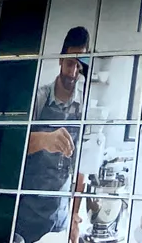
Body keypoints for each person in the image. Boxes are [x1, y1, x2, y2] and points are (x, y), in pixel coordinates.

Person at [15, 26, 89, 243]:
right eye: (69, 63)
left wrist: (75, 215)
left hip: (60, 217)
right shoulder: (39, 98)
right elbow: (13, 145)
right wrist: (44, 139)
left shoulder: (84, 106)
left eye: (79, 65)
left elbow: (81, 169)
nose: (73, 72)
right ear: (60, 60)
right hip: (27, 215)